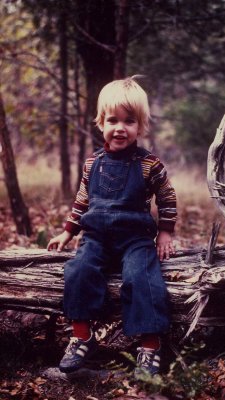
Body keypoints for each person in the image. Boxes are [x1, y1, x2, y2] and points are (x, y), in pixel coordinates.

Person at [47, 76, 177, 377]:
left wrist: (166, 231)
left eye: (129, 121)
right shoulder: (93, 163)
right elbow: (82, 199)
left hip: (135, 239)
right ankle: (82, 336)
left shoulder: (149, 164)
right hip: (97, 237)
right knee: (78, 270)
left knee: (142, 278)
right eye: (113, 120)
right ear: (101, 122)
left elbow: (167, 197)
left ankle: (150, 345)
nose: (120, 128)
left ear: (140, 127)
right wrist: (68, 230)